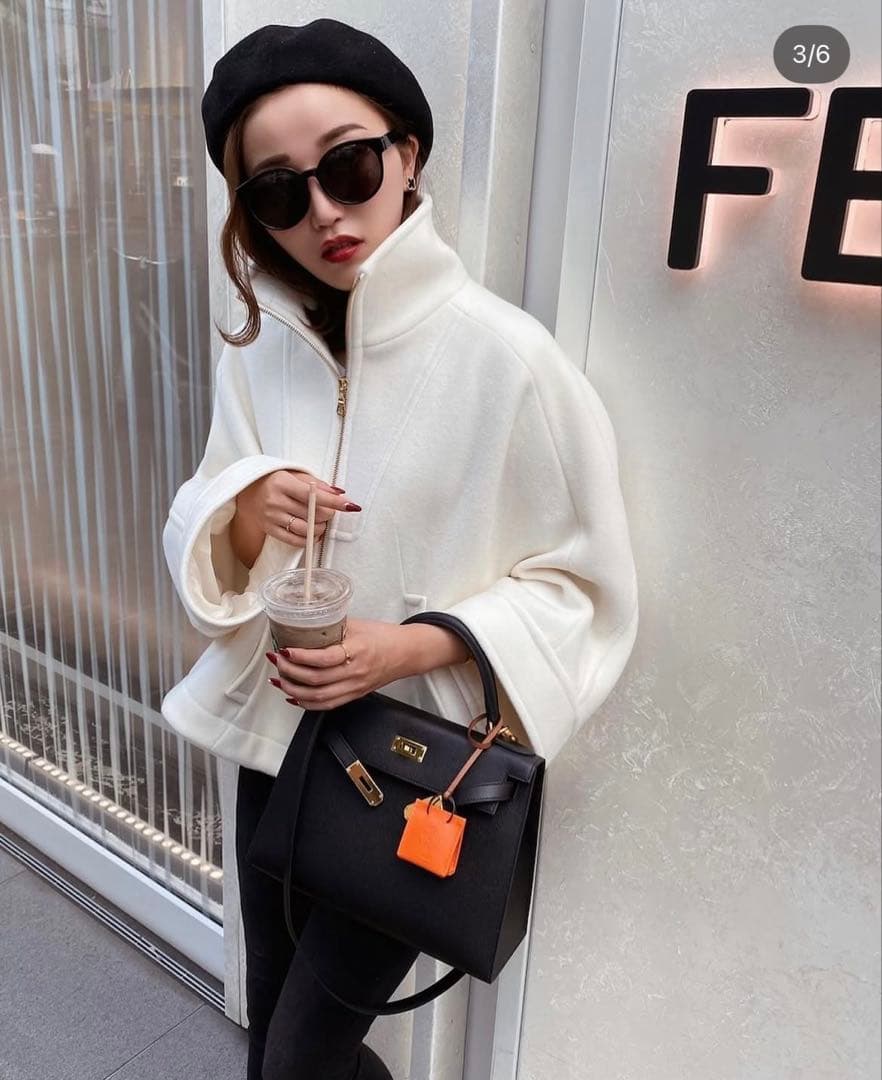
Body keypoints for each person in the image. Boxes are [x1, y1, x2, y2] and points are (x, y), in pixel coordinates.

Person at [161, 18, 639, 1080]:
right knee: (277, 1032)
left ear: (406, 153)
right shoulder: (263, 354)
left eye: (348, 166)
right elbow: (204, 510)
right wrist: (248, 506)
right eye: (278, 192)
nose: (324, 212)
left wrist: (409, 646)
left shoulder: (507, 360)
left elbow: (585, 588)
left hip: (413, 767)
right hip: (275, 747)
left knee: (299, 1060)